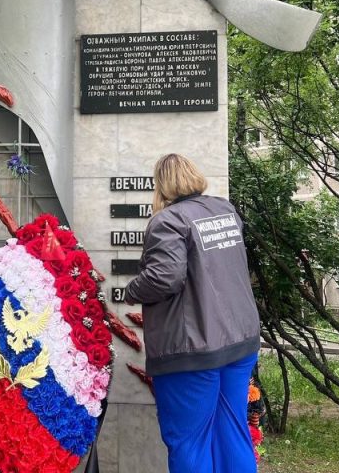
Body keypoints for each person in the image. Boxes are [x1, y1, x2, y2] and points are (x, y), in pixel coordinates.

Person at [124, 153, 261, 473]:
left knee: (189, 440)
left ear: (161, 185)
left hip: (192, 350)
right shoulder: (225, 211)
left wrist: (132, 291)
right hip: (239, 341)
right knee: (233, 432)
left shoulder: (168, 220)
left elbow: (164, 277)